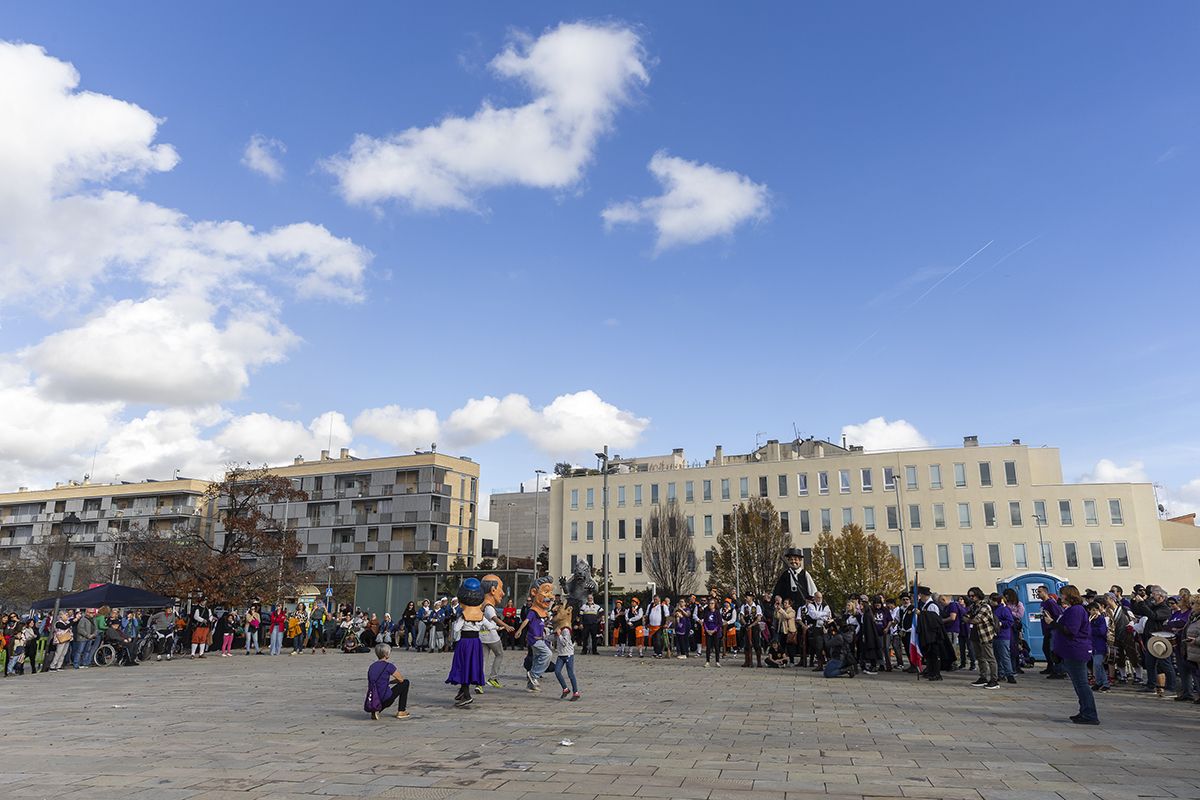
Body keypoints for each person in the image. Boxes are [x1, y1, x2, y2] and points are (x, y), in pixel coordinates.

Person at [1049, 585, 1098, 725]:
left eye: (1062, 594)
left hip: (1076, 650)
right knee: (1078, 684)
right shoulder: (1073, 610)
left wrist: (1052, 623)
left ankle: (1089, 713)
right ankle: (1084, 711)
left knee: (1082, 684)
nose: (1061, 597)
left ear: (1069, 595)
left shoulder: (1076, 610)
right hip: (1071, 650)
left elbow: (1071, 630)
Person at [364, 643, 412, 720]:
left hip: (374, 697)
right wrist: (391, 682)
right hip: (386, 697)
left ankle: (376, 709)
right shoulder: (389, 666)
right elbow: (401, 679)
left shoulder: (372, 666)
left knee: (381, 693)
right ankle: (401, 711)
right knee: (405, 683)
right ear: (386, 654)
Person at [480, 575, 511, 689]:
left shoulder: (481, 606)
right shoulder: (489, 606)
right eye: (501, 589)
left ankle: (479, 682)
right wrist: (505, 625)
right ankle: (493, 678)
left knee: (483, 659)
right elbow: (494, 618)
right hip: (491, 637)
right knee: (499, 654)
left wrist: (499, 628)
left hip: (482, 636)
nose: (503, 593)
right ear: (493, 590)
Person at [966, 588, 999, 689]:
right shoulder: (973, 606)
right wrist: (968, 618)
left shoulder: (985, 606)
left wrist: (968, 619)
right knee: (980, 657)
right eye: (970, 596)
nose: (971, 598)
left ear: (978, 595)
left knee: (990, 658)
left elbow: (977, 620)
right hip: (975, 634)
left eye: (973, 596)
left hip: (985, 635)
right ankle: (983, 677)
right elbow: (966, 615)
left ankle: (994, 680)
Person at [915, 587, 945, 681]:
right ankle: (930, 672)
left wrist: (922, 614)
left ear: (924, 595)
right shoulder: (925, 605)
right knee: (929, 655)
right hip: (928, 634)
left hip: (933, 634)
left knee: (934, 655)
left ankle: (936, 673)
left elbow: (934, 619)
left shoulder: (932, 606)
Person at [991, 593, 1016, 685]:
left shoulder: (1004, 610)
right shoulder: (993, 610)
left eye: (992, 600)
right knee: (997, 656)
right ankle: (1000, 674)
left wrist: (1001, 623)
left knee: (1005, 656)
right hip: (995, 636)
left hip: (1003, 636)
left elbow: (1010, 621)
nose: (991, 602)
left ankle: (1009, 674)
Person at [553, 623, 580, 700]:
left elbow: (564, 643)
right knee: (557, 671)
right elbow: (553, 638)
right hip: (561, 654)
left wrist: (559, 634)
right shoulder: (558, 629)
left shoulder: (566, 630)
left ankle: (576, 692)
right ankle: (565, 688)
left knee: (570, 674)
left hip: (568, 654)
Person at [804, 592, 832, 669]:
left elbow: (828, 615)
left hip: (824, 628)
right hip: (816, 628)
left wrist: (819, 615)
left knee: (827, 645)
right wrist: (823, 614)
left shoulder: (825, 605)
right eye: (818, 597)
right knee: (818, 646)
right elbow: (813, 616)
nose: (820, 599)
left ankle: (829, 663)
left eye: (821, 597)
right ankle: (820, 664)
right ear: (815, 598)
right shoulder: (811, 605)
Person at [1088, 602, 1110, 692]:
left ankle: (1105, 683)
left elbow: (1102, 631)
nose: (1094, 612)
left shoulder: (1101, 619)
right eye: (1092, 610)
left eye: (1096, 610)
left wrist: (1090, 628)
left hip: (1100, 645)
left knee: (1098, 664)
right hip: (1092, 645)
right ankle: (1099, 682)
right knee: (1096, 665)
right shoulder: (1089, 620)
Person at [701, 597, 723, 668]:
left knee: (716, 647)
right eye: (710, 603)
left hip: (715, 631)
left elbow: (720, 623)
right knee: (708, 647)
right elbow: (704, 622)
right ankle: (707, 661)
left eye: (712, 603)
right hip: (708, 631)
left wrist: (714, 630)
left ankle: (717, 661)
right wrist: (707, 630)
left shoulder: (717, 612)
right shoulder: (706, 612)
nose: (711, 605)